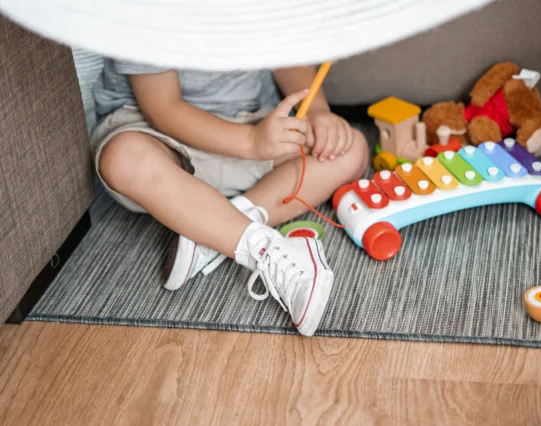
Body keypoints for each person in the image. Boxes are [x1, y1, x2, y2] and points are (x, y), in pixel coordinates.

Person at [90, 60, 369, 336]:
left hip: (251, 121)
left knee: (350, 149)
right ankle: (261, 247)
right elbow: (163, 110)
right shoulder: (147, 15)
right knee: (124, 159)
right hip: (157, 133)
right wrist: (251, 142)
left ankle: (215, 229)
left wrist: (318, 113)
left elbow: (285, 56)